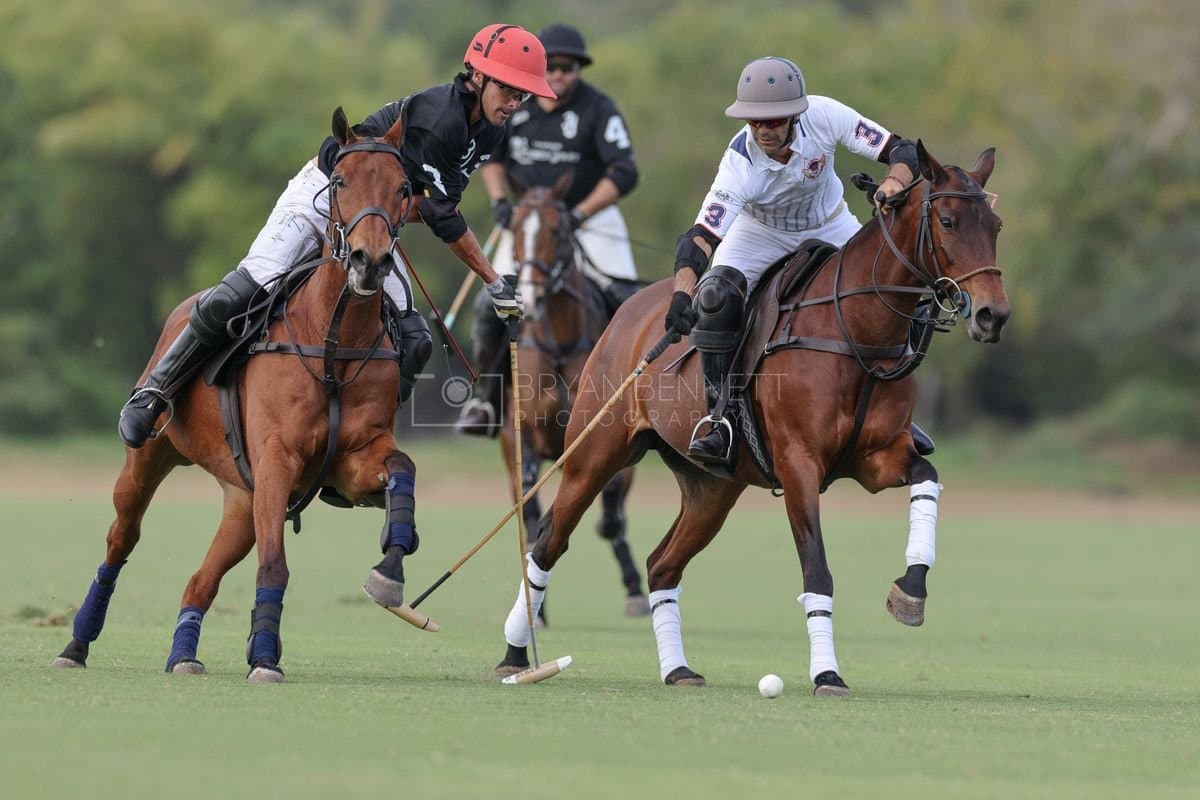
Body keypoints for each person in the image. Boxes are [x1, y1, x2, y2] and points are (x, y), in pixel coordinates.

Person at [117, 24, 554, 451]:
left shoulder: (489, 131)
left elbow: (431, 206)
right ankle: (154, 392)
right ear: (477, 76)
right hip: (325, 192)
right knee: (247, 289)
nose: (515, 101)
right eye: (509, 89)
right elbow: (443, 216)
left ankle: (359, 437)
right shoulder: (443, 119)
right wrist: (494, 281)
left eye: (523, 94)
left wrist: (389, 214)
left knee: (416, 340)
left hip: (373, 219)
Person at [663, 56, 933, 466]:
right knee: (715, 298)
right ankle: (721, 419)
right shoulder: (739, 164)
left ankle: (896, 412)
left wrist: (894, 182)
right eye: (753, 121)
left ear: (794, 115)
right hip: (759, 235)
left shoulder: (825, 115)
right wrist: (683, 295)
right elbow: (699, 238)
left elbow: (903, 150)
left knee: (902, 286)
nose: (762, 130)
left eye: (772, 121)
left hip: (829, 223)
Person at [456, 22, 641, 437]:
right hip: (528, 222)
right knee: (492, 302)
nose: (559, 74)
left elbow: (624, 171)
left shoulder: (599, 109)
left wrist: (580, 212)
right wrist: (500, 202)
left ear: (578, 70)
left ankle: (634, 396)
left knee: (625, 298)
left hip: (587, 216)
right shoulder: (513, 102)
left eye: (568, 67)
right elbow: (491, 155)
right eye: (552, 66)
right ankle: (485, 399)